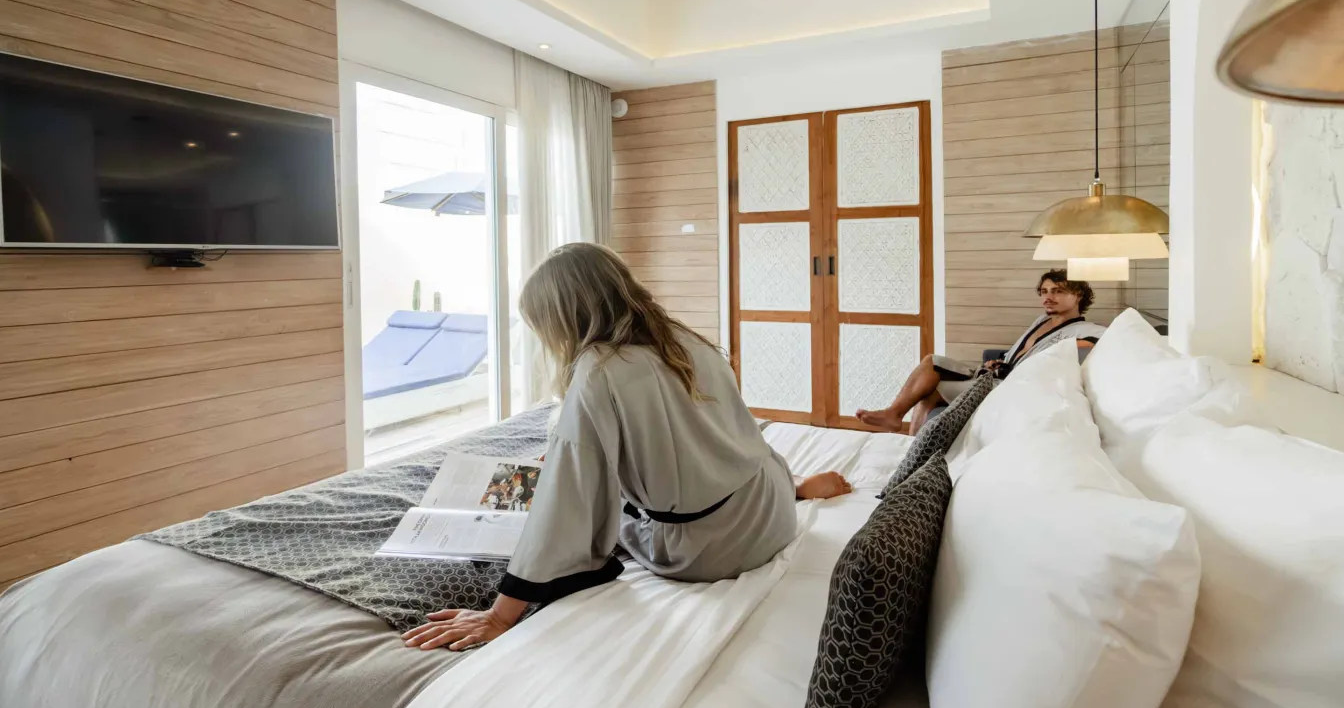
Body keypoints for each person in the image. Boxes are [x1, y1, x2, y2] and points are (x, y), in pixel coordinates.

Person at [405, 242, 851, 652]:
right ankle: (796, 484)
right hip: (769, 504)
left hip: (713, 548)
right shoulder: (683, 339)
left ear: (565, 319)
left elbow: (566, 507)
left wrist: (499, 616)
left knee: (587, 503)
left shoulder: (598, 369)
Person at [855, 269, 1105, 433]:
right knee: (932, 363)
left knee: (931, 390)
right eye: (1044, 292)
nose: (1048, 297)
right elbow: (1019, 354)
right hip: (993, 375)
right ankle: (899, 426)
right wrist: (999, 361)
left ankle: (900, 430)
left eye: (1058, 291)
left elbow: (1087, 349)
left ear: (1078, 295)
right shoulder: (1041, 321)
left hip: (1010, 389)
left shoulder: (1086, 330)